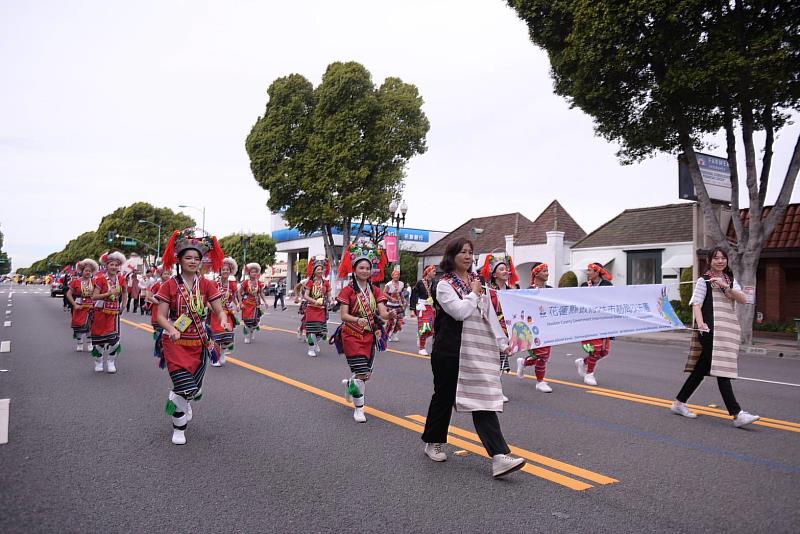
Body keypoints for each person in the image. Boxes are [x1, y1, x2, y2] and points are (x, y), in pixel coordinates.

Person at [420, 238, 526, 478]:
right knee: (444, 397)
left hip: (476, 350)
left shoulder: (478, 283)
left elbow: (487, 316)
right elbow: (459, 312)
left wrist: (502, 343)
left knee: (482, 399)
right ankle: (433, 441)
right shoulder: (443, 284)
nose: (468, 256)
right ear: (452, 256)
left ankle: (499, 456)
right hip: (449, 350)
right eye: (462, 252)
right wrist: (474, 295)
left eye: (470, 252)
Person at [155, 228, 229, 445]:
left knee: (193, 390)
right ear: (179, 259)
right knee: (184, 387)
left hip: (200, 343)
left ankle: (180, 399)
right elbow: (161, 316)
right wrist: (171, 329)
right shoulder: (169, 285)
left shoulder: (206, 284)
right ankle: (179, 429)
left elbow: (218, 309)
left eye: (197, 258)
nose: (193, 261)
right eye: (188, 258)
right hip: (175, 344)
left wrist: (223, 318)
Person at [671, 247, 760, 428]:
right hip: (709, 331)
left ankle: (679, 403)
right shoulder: (704, 281)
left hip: (725, 331)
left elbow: (743, 299)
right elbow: (696, 304)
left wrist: (725, 286)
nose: (720, 261)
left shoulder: (730, 280)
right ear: (709, 261)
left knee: (700, 370)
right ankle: (737, 414)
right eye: (716, 258)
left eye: (723, 258)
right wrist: (701, 324)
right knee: (721, 368)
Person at [333, 243, 394, 422]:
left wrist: (388, 315)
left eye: (368, 268)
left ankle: (352, 384)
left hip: (370, 335)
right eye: (362, 267)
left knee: (365, 375)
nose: (365, 271)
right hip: (352, 335)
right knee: (362, 372)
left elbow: (382, 312)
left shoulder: (375, 290)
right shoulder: (348, 290)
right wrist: (357, 320)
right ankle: (359, 409)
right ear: (354, 269)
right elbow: (344, 315)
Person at [516, 262, 554, 392]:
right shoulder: (529, 291)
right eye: (544, 271)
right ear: (536, 273)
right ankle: (540, 382)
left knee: (544, 356)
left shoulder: (551, 290)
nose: (547, 273)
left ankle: (523, 363)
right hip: (534, 328)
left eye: (547, 270)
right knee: (542, 356)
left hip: (548, 327)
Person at [575, 262, 613, 386]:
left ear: (597, 272)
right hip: (588, 322)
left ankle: (583, 362)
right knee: (595, 350)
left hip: (603, 322)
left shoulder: (608, 285)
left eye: (590, 271)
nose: (588, 273)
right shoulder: (584, 286)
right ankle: (589, 374)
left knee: (604, 352)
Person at [90, 252, 128, 373]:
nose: (114, 267)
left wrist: (124, 305)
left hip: (114, 313)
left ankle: (111, 361)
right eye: (112, 264)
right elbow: (94, 297)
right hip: (100, 312)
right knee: (100, 341)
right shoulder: (100, 279)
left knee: (115, 341)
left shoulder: (121, 279)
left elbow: (125, 292)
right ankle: (99, 361)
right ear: (107, 266)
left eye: (116, 265)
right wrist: (107, 294)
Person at [210, 257, 240, 366]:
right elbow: (208, 299)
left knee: (227, 336)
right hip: (216, 313)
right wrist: (212, 308)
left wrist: (237, 305)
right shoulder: (214, 283)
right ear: (220, 271)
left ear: (231, 271)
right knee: (217, 337)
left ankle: (222, 354)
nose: (225, 271)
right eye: (223, 269)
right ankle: (214, 359)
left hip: (227, 313)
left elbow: (234, 297)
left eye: (227, 269)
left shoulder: (232, 284)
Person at [65, 258, 98, 352]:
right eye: (86, 271)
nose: (88, 273)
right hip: (79, 306)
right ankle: (79, 343)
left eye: (90, 271)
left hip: (91, 306)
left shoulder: (94, 282)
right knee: (78, 326)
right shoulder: (75, 281)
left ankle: (89, 343)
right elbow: (68, 294)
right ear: (82, 271)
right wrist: (74, 304)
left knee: (90, 326)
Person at [303, 258, 330, 357]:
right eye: (318, 269)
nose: (320, 271)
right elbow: (305, 296)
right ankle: (311, 349)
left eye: (321, 269)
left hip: (322, 309)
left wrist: (331, 300)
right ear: (314, 271)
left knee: (322, 332)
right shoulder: (310, 282)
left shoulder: (326, 283)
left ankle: (315, 343)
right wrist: (315, 301)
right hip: (312, 309)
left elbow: (328, 294)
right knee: (312, 330)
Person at [238, 263, 266, 344]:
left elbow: (261, 293)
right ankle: (247, 336)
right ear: (249, 273)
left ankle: (252, 332)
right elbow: (239, 293)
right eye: (252, 272)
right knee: (247, 321)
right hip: (246, 304)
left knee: (255, 321)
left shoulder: (259, 283)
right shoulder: (245, 283)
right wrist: (240, 303)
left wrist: (265, 302)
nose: (254, 273)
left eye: (255, 272)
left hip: (256, 304)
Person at [415, 265, 437, 355]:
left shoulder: (434, 283)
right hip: (422, 307)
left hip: (431, 307)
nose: (435, 273)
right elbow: (414, 295)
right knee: (425, 326)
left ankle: (420, 337)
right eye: (434, 271)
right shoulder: (420, 283)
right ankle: (422, 348)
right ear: (428, 272)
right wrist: (413, 309)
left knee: (431, 328)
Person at [384, 266, 406, 342]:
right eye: (395, 275)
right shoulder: (389, 284)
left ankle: (394, 334)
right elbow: (384, 293)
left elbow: (401, 293)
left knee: (399, 321)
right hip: (391, 305)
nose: (397, 276)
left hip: (399, 305)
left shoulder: (401, 284)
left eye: (398, 275)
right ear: (392, 276)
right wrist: (390, 298)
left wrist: (404, 300)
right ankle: (388, 334)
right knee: (391, 321)